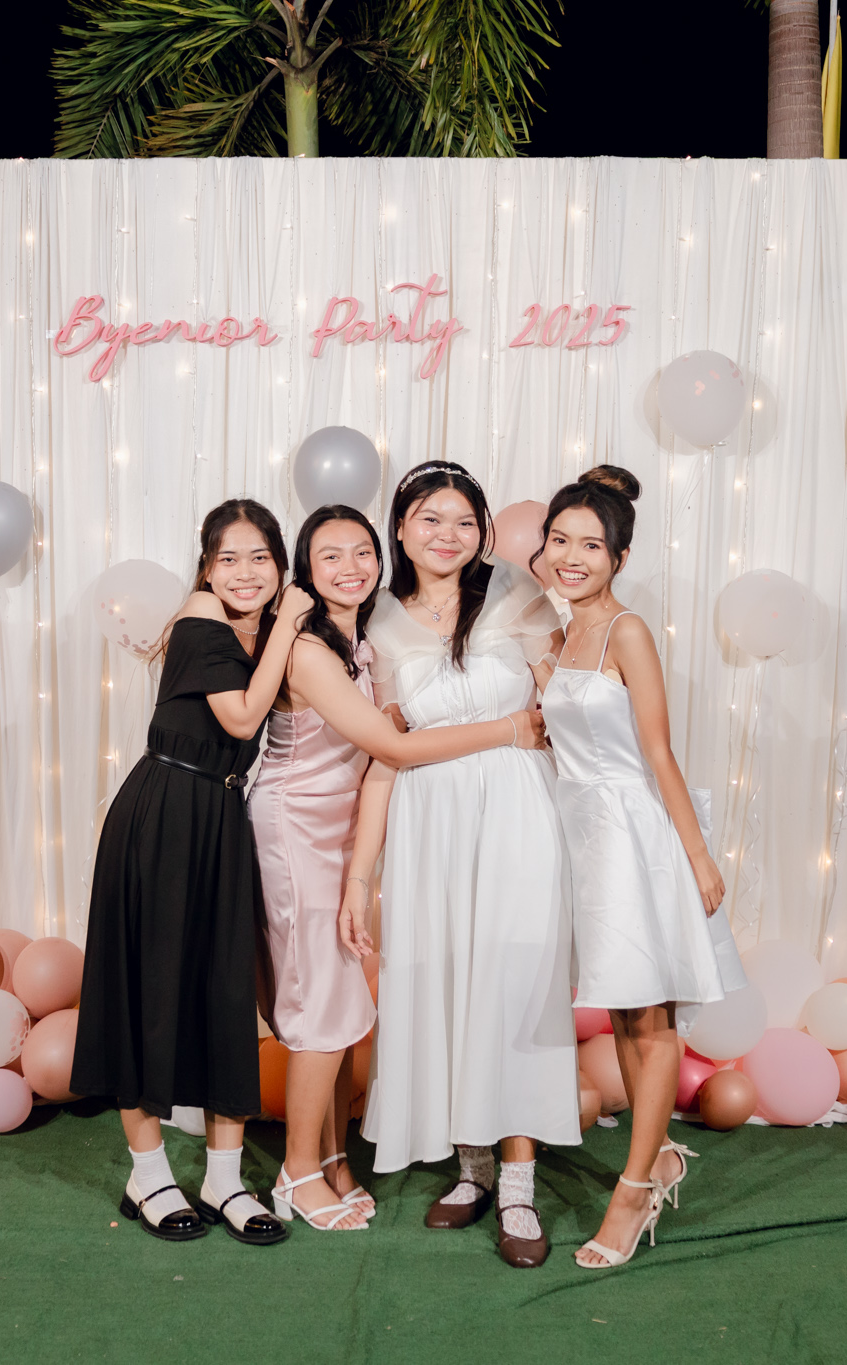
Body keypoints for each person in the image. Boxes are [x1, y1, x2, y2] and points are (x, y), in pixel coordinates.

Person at [248, 504, 548, 1234]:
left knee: (344, 998)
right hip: (301, 829)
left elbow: (383, 751)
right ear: (304, 570)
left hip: (349, 827)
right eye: (329, 556)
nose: (350, 567)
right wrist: (512, 727)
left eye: (361, 552)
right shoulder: (315, 648)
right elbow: (396, 750)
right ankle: (299, 1172)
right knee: (322, 1003)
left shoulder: (362, 641)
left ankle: (333, 1159)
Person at [338, 461, 579, 1269]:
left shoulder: (516, 593)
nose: (448, 534)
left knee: (512, 988)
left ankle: (518, 1184)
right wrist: (362, 873)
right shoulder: (377, 621)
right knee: (446, 984)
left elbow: (562, 709)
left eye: (465, 521)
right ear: (401, 528)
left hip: (519, 814)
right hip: (429, 824)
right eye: (430, 519)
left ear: (483, 532)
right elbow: (385, 755)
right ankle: (472, 1168)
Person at [72, 499, 313, 1247]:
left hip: (222, 818)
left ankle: (223, 1178)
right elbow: (240, 719)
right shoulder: (202, 616)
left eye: (260, 558)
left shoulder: (253, 630)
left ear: (280, 563)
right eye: (227, 558)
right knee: (147, 991)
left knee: (224, 992)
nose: (245, 573)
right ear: (206, 568)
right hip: (166, 813)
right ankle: (148, 1174)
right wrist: (289, 620)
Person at [534, 466, 735, 1269]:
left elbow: (658, 753)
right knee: (623, 1014)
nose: (572, 556)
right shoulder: (559, 638)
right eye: (560, 540)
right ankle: (658, 1159)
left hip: (630, 838)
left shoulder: (628, 632)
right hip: (581, 836)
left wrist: (697, 856)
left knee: (651, 1023)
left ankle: (633, 1191)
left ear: (618, 557)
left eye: (591, 545)